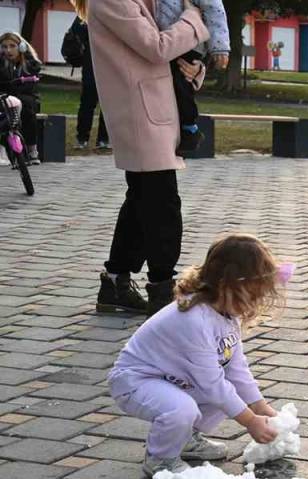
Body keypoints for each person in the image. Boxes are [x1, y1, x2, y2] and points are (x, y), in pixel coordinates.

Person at [108, 234, 288, 477]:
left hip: (173, 378)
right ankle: (160, 458)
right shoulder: (194, 319)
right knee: (184, 408)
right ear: (227, 286)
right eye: (251, 297)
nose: (253, 306)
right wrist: (250, 421)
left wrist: (260, 406)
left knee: (228, 394)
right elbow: (212, 382)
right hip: (136, 381)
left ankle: (185, 439)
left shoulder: (226, 312)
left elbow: (235, 368)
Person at [88, 0, 211, 315]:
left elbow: (168, 53)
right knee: (162, 204)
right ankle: (163, 286)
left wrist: (193, 68)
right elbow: (156, 47)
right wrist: (195, 18)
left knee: (142, 200)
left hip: (155, 108)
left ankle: (116, 282)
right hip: (138, 112)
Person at [153, 0, 229, 152]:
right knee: (169, 88)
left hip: (190, 42)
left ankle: (189, 127)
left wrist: (220, 47)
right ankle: (179, 129)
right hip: (165, 41)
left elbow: (215, 11)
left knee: (181, 84)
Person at [0, 32, 42, 165]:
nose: (8, 50)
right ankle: (11, 152)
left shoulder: (31, 65)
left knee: (26, 108)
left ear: (21, 47)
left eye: (12, 46)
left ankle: (32, 149)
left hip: (26, 99)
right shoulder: (1, 64)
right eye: (4, 46)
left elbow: (29, 88)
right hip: (5, 99)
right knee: (9, 108)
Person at [69, 17, 110, 150]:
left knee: (108, 105)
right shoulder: (86, 11)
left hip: (111, 63)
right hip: (91, 63)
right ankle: (82, 138)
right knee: (87, 103)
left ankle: (104, 139)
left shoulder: (116, 8)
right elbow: (76, 32)